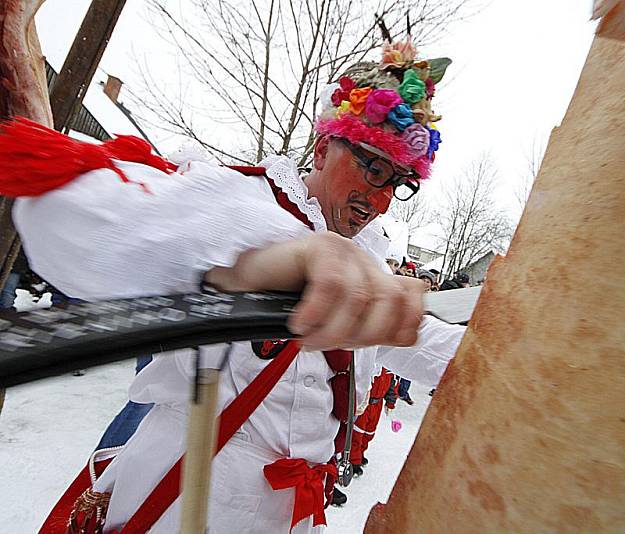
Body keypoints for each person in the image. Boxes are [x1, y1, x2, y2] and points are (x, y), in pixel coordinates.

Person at [5, 33, 460, 533]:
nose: (381, 200)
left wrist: (521, 357)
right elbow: (63, 217)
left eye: (398, 181)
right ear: (326, 146)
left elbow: (413, 337)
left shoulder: (369, 254)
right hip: (189, 494)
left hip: (291, 510)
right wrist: (235, 263)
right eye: (372, 168)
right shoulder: (238, 200)